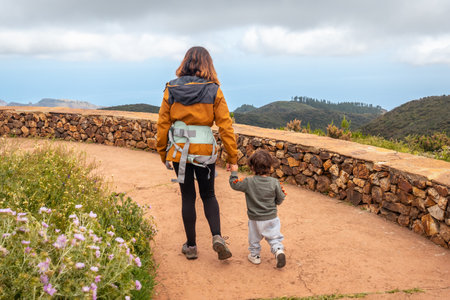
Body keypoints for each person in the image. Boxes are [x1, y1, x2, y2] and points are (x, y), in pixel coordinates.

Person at [156, 46, 238, 260]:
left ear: (185, 63)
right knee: (209, 194)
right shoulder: (214, 89)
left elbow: (163, 124)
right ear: (207, 64)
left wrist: (162, 152)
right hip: (204, 151)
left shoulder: (170, 88)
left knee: (187, 196)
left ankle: (191, 246)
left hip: (179, 150)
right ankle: (217, 236)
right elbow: (225, 126)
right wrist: (233, 158)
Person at [229, 149, 287, 268]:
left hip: (255, 218)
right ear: (270, 167)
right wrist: (275, 202)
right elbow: (281, 198)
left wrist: (234, 172)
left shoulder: (248, 181)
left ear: (252, 167)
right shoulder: (274, 182)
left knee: (254, 238)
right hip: (271, 217)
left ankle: (255, 256)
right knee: (274, 237)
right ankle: (278, 250)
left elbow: (234, 184)